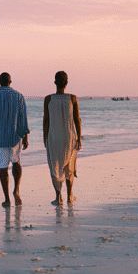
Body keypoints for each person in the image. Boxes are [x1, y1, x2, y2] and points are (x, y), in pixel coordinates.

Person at [0, 72, 30, 207]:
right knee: (16, 163)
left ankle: (7, 199)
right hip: (15, 137)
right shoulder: (19, 96)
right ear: (10, 82)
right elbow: (23, 118)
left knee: (3, 168)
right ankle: (17, 190)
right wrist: (25, 137)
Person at [43, 71, 82, 205]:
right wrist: (80, 138)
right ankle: (70, 195)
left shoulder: (48, 99)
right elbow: (77, 119)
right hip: (70, 137)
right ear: (66, 83)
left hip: (53, 137)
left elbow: (46, 120)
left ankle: (58, 196)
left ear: (55, 82)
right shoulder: (73, 98)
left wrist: (45, 137)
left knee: (55, 165)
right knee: (69, 166)